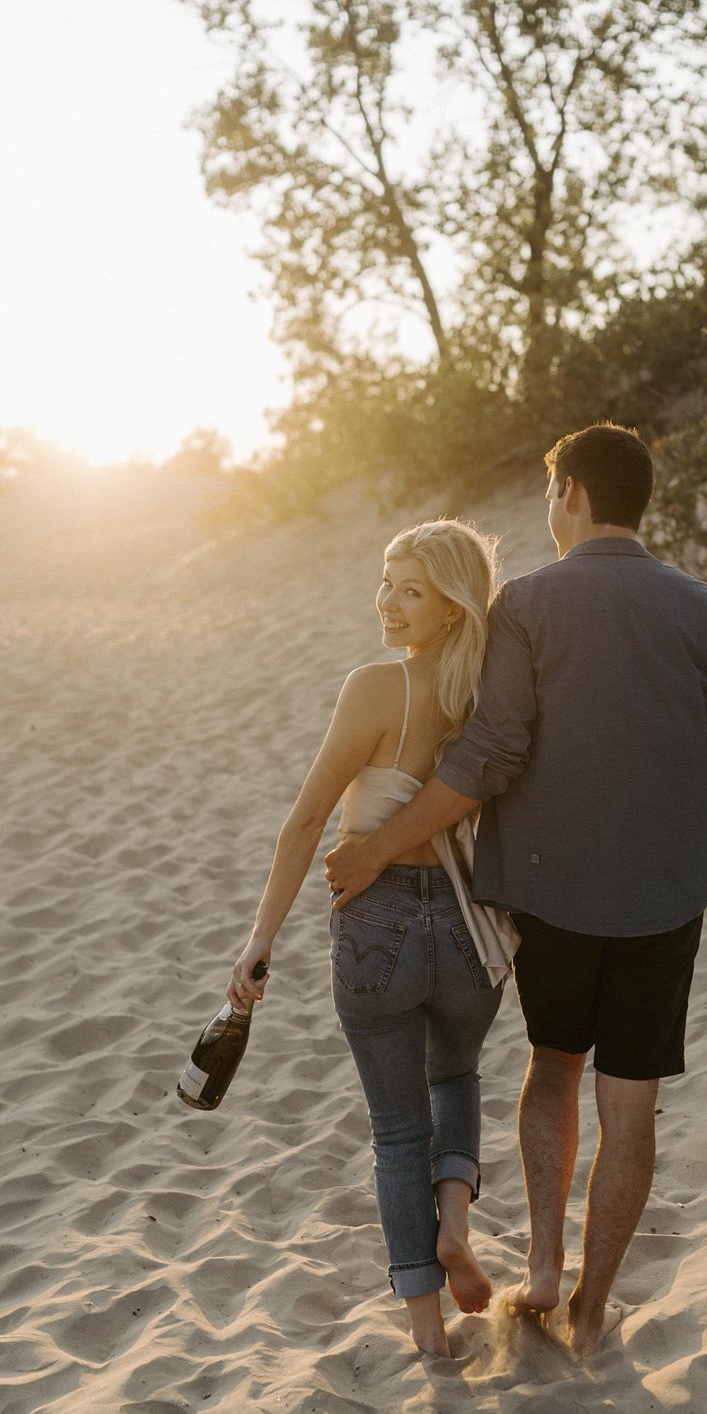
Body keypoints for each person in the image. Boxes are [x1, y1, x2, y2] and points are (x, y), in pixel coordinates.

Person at [326, 423, 707, 1356]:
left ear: (569, 493)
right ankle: (593, 1301)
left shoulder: (528, 604)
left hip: (553, 890)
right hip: (666, 895)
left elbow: (489, 758)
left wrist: (375, 852)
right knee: (631, 1102)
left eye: (547, 495)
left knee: (554, 1066)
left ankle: (539, 1267)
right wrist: (661, 749)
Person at [229, 518, 514, 1359]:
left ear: (453, 608)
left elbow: (308, 819)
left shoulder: (374, 688)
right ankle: (454, 1221)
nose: (387, 603)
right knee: (455, 1074)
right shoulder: (491, 694)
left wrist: (259, 941)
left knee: (397, 1134)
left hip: (380, 923)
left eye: (412, 590)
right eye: (386, 581)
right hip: (469, 931)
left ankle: (428, 1337)